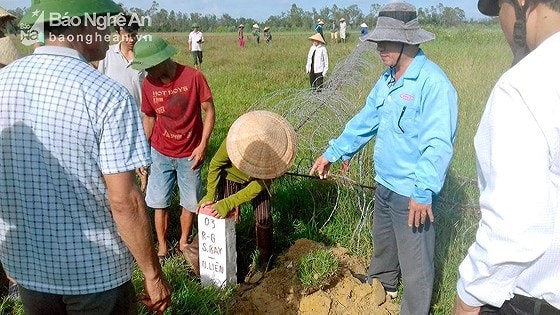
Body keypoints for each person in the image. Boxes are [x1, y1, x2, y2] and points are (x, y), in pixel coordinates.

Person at [0, 0, 172, 313]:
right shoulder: (106, 94)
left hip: (29, 271)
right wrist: (152, 273)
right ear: (84, 26)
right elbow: (125, 201)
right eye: (104, 22)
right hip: (95, 275)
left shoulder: (3, 83)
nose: (109, 32)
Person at [309, 2, 457, 314]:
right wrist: (332, 153)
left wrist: (423, 191)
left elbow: (437, 144)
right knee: (384, 248)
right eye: (379, 41)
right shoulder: (388, 79)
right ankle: (380, 293)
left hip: (412, 192)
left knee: (416, 264)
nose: (380, 48)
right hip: (385, 185)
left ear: (409, 41)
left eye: (387, 41)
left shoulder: (432, 84)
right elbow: (366, 120)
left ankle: (414, 310)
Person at [454, 0, 560, 313]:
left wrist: (467, 300)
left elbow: (514, 232)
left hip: (532, 302)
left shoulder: (523, 87)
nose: (500, 20)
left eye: (499, 8)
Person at [131, 35, 216, 262]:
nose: (146, 72)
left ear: (161, 60)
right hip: (160, 152)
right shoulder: (149, 83)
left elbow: (209, 111)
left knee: (190, 203)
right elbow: (149, 117)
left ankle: (183, 241)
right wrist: (142, 151)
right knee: (159, 202)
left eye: (149, 66)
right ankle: (161, 247)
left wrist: (202, 145)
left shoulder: (193, 77)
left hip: (190, 153)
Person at [195, 110, 297, 276]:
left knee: (263, 216)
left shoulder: (277, 160)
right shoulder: (232, 142)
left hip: (259, 181)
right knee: (224, 216)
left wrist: (231, 202)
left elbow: (256, 187)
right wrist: (210, 195)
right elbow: (214, 165)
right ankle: (225, 259)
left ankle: (265, 261)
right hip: (231, 176)